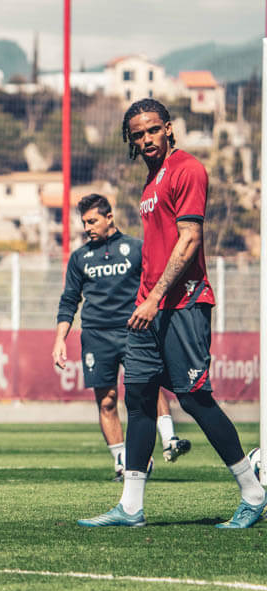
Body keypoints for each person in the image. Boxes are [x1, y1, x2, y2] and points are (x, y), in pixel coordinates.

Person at [78, 98, 264, 528]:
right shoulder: (150, 182)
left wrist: (155, 297)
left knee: (195, 398)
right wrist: (144, 300)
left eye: (152, 130)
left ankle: (253, 493)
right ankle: (130, 507)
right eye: (137, 134)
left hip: (182, 304)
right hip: (149, 309)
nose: (146, 139)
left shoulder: (187, 170)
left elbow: (190, 239)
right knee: (140, 399)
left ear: (168, 128)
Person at [53, 194, 190, 481]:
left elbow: (155, 287)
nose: (87, 228)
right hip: (96, 336)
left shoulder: (136, 248)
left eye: (92, 221)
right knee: (106, 401)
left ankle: (170, 439)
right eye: (84, 223)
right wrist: (60, 339)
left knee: (147, 386)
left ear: (109, 217)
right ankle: (121, 463)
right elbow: (69, 300)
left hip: (134, 331)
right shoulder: (79, 258)